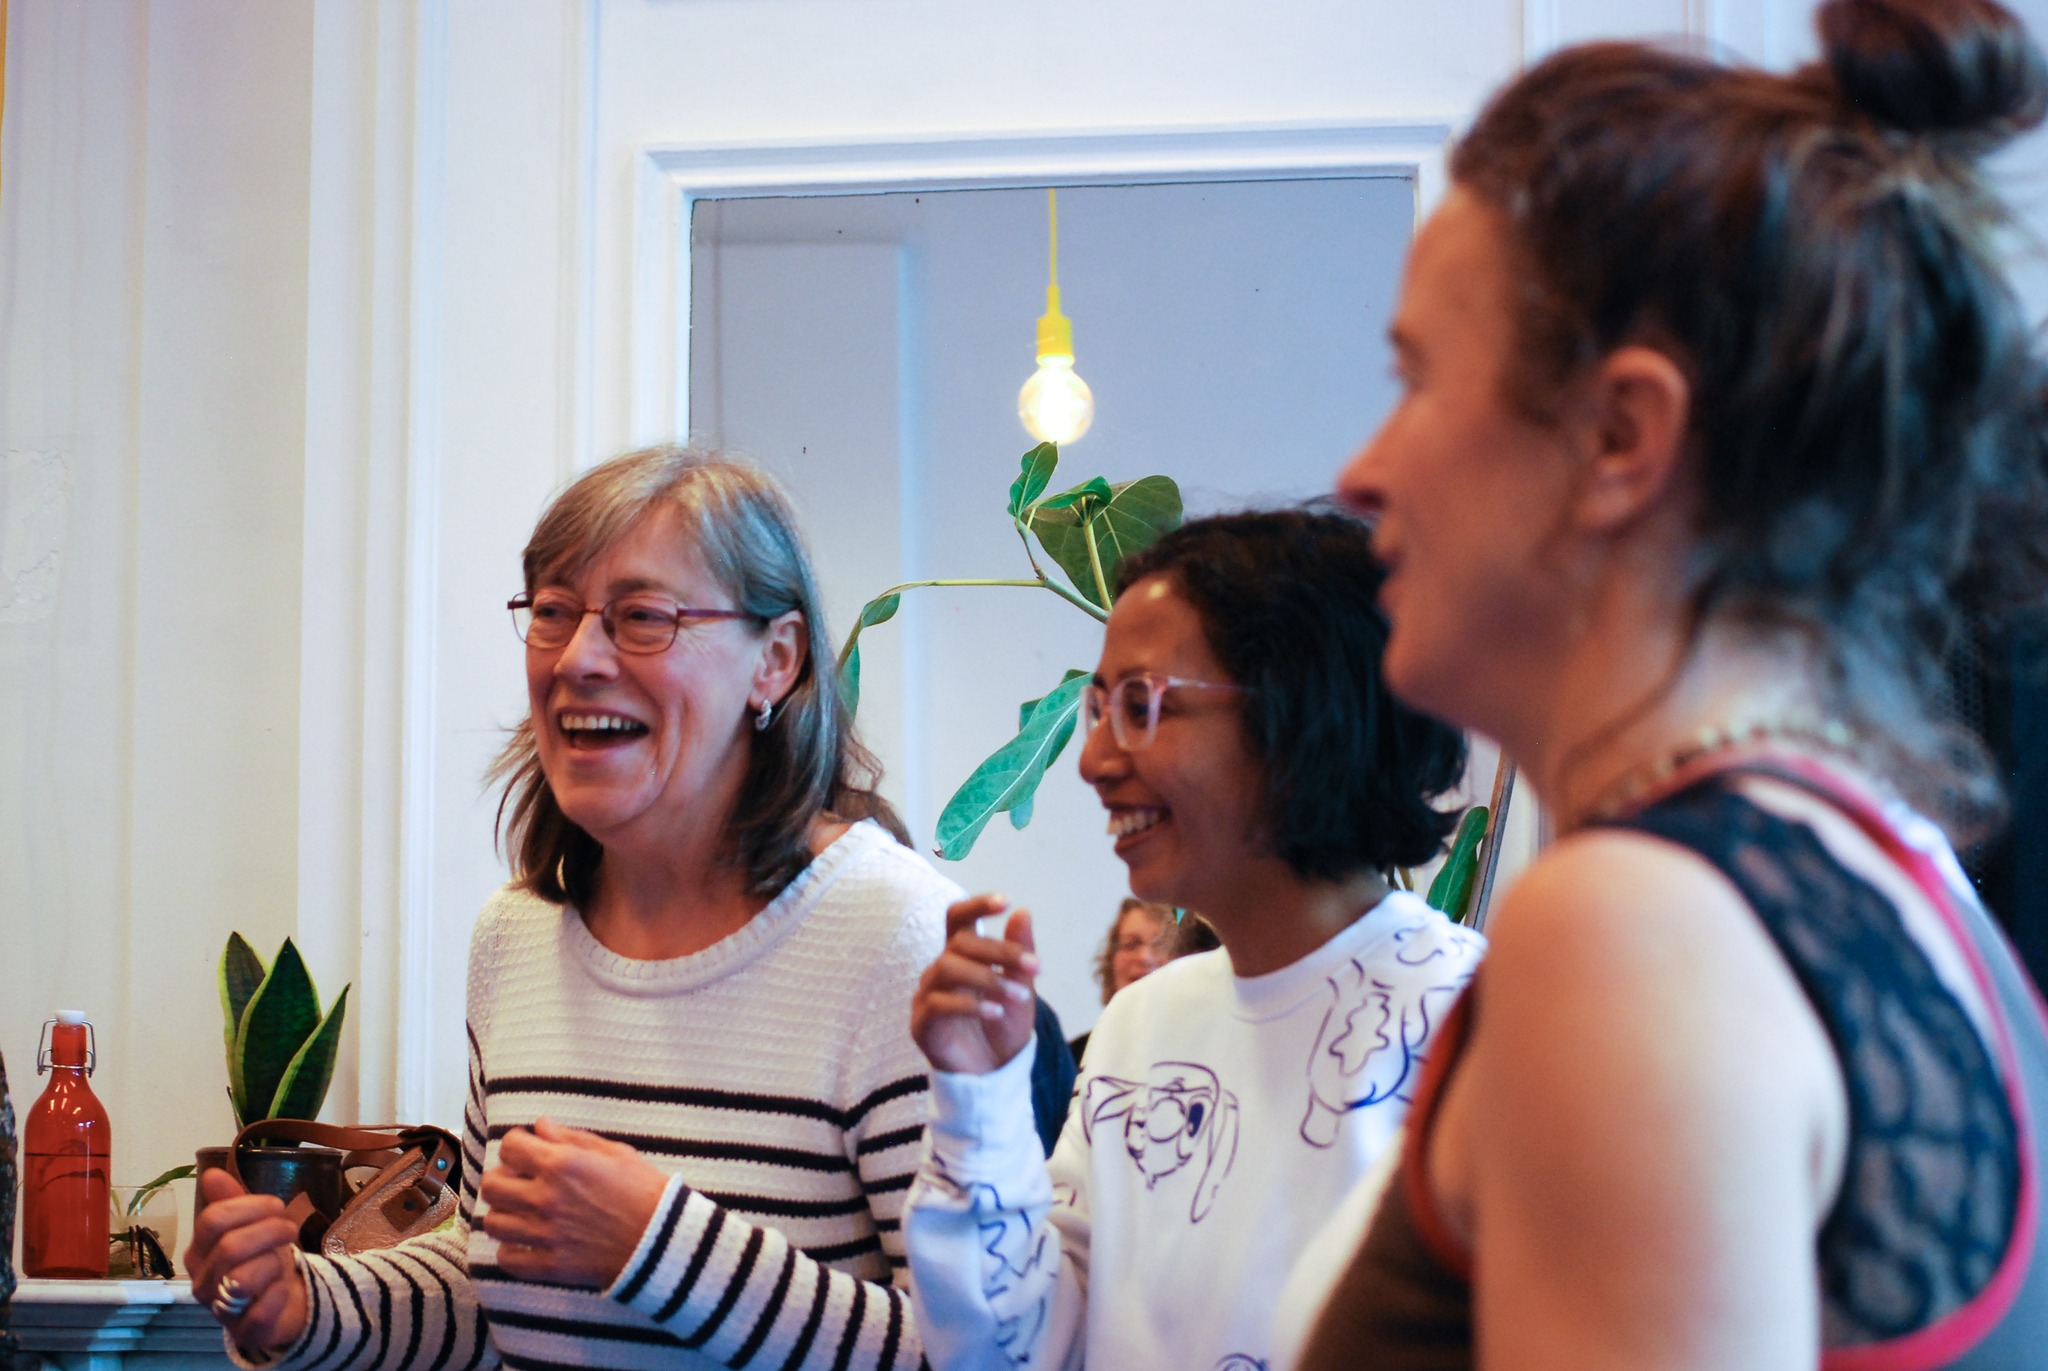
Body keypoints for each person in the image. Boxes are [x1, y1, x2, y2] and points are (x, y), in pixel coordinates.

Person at [1298, 2, 2048, 1366]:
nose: (1361, 470)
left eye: (1415, 379)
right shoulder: (1881, 864)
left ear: (1621, 435)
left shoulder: (1633, 924)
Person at [184, 447, 959, 1371]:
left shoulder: (899, 939)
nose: (579, 659)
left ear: (776, 661)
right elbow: (496, 1282)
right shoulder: (513, 936)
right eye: (554, 611)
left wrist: (661, 1247)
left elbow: (972, 1353)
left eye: (643, 617)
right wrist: (311, 1304)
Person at [903, 508, 1488, 1371]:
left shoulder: (1468, 1024)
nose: (1093, 759)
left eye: (1142, 705)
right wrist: (978, 1096)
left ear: (1300, 717)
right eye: (1099, 709)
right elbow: (1010, 1352)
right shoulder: (1142, 1024)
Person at [1066, 897, 1179, 1063]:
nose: (1144, 957)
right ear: (1111, 961)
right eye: (1131, 944)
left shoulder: (1208, 1049)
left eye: (1161, 945)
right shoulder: (1076, 1056)